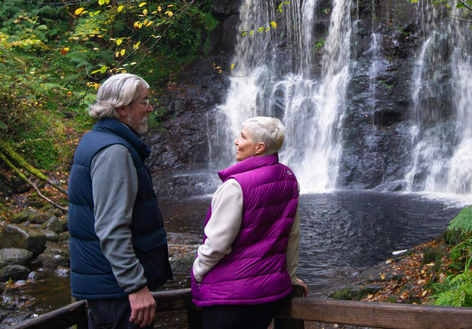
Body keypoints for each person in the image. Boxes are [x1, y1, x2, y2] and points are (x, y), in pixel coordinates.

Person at [68, 73, 173, 329]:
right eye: (144, 101)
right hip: (116, 293)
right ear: (122, 109)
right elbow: (112, 228)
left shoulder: (98, 139)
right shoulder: (114, 152)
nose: (150, 108)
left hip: (109, 286)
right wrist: (135, 286)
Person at [191, 116, 306, 329]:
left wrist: (197, 272)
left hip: (227, 298)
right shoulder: (289, 178)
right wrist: (290, 276)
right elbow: (291, 235)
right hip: (267, 295)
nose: (236, 141)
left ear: (259, 147)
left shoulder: (235, 186)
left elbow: (217, 244)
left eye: (243, 137)